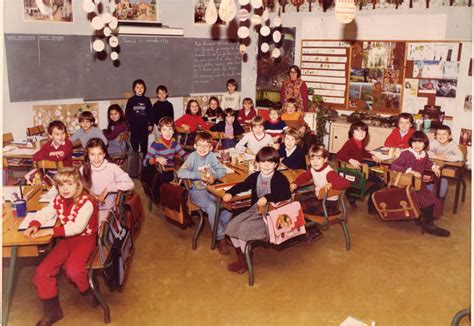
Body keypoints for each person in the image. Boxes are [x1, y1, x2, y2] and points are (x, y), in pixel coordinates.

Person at [23, 168, 98, 325]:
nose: (65, 189)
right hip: (66, 240)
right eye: (61, 185)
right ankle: (53, 311)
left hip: (85, 239)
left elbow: (77, 227)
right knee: (42, 272)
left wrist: (50, 231)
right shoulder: (59, 199)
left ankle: (87, 290)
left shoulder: (87, 202)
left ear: (79, 185)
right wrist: (35, 223)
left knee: (74, 271)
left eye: (69, 184)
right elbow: (46, 212)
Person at [223, 147, 292, 274]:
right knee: (232, 226)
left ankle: (245, 261)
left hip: (272, 215)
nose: (266, 165)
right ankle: (243, 259)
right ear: (257, 163)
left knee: (244, 229)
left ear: (276, 164)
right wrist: (230, 192)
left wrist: (267, 197)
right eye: (263, 162)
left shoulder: (280, 178)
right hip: (256, 210)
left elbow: (286, 195)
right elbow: (243, 185)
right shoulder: (255, 176)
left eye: (270, 162)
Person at [177, 132, 233, 255]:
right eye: (200, 145)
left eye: (206, 146)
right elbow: (180, 173)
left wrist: (213, 176)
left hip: (211, 189)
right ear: (195, 146)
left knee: (228, 205)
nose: (203, 149)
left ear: (211, 147)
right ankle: (219, 238)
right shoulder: (192, 157)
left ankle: (221, 231)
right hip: (197, 191)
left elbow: (222, 170)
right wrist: (198, 175)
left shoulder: (212, 156)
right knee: (212, 207)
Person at [391, 131, 450, 237]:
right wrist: (410, 171)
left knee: (433, 199)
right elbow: (394, 165)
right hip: (407, 186)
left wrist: (433, 167)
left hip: (418, 185)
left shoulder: (424, 154)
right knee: (428, 201)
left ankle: (422, 219)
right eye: (414, 142)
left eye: (420, 142)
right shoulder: (406, 154)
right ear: (411, 143)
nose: (417, 145)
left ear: (425, 144)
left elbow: (427, 162)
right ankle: (429, 226)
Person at [290, 145, 350, 243]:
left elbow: (346, 183)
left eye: (319, 158)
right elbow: (305, 176)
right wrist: (295, 183)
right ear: (309, 160)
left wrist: (332, 184)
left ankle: (311, 231)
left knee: (298, 207)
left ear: (325, 159)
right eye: (312, 159)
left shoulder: (329, 173)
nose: (315, 162)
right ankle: (313, 231)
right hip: (320, 200)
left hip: (329, 206)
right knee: (301, 202)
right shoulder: (313, 169)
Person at [80, 138, 134, 225]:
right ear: (87, 155)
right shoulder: (83, 169)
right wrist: (91, 195)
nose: (96, 158)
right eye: (92, 154)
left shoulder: (112, 167)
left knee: (94, 226)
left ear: (104, 154)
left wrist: (108, 189)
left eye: (100, 154)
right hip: (88, 206)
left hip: (107, 208)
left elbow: (130, 184)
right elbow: (78, 187)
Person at [336, 120, 382, 212]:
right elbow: (339, 154)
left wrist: (371, 155)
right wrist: (350, 160)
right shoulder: (350, 143)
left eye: (364, 131)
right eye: (358, 130)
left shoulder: (358, 142)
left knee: (375, 177)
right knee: (379, 182)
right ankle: (369, 206)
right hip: (354, 173)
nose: (361, 133)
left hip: (357, 171)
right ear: (352, 132)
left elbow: (363, 152)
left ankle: (352, 195)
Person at [142, 117, 188, 202]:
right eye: (164, 130)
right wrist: (156, 159)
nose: (167, 132)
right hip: (158, 171)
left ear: (173, 131)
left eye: (170, 129)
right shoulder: (155, 144)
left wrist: (195, 158)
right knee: (160, 177)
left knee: (177, 178)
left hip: (170, 171)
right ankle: (160, 197)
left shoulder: (174, 143)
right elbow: (144, 162)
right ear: (160, 131)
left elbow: (184, 154)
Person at [426, 125, 464, 200]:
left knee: (442, 181)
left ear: (449, 136)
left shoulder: (452, 145)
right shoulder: (434, 143)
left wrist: (446, 158)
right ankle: (428, 196)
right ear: (435, 136)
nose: (441, 136)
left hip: (447, 168)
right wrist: (437, 157)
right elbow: (425, 152)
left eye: (444, 134)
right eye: (439, 134)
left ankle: (439, 198)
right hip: (434, 166)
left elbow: (460, 157)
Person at [125, 79, 153, 153]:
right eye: (137, 87)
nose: (140, 89)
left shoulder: (147, 100)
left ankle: (144, 163)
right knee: (134, 147)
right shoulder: (131, 100)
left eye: (142, 87)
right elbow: (127, 114)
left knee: (144, 146)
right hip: (134, 127)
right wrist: (128, 126)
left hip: (144, 127)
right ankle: (136, 163)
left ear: (144, 89)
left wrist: (151, 124)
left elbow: (150, 113)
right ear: (134, 89)